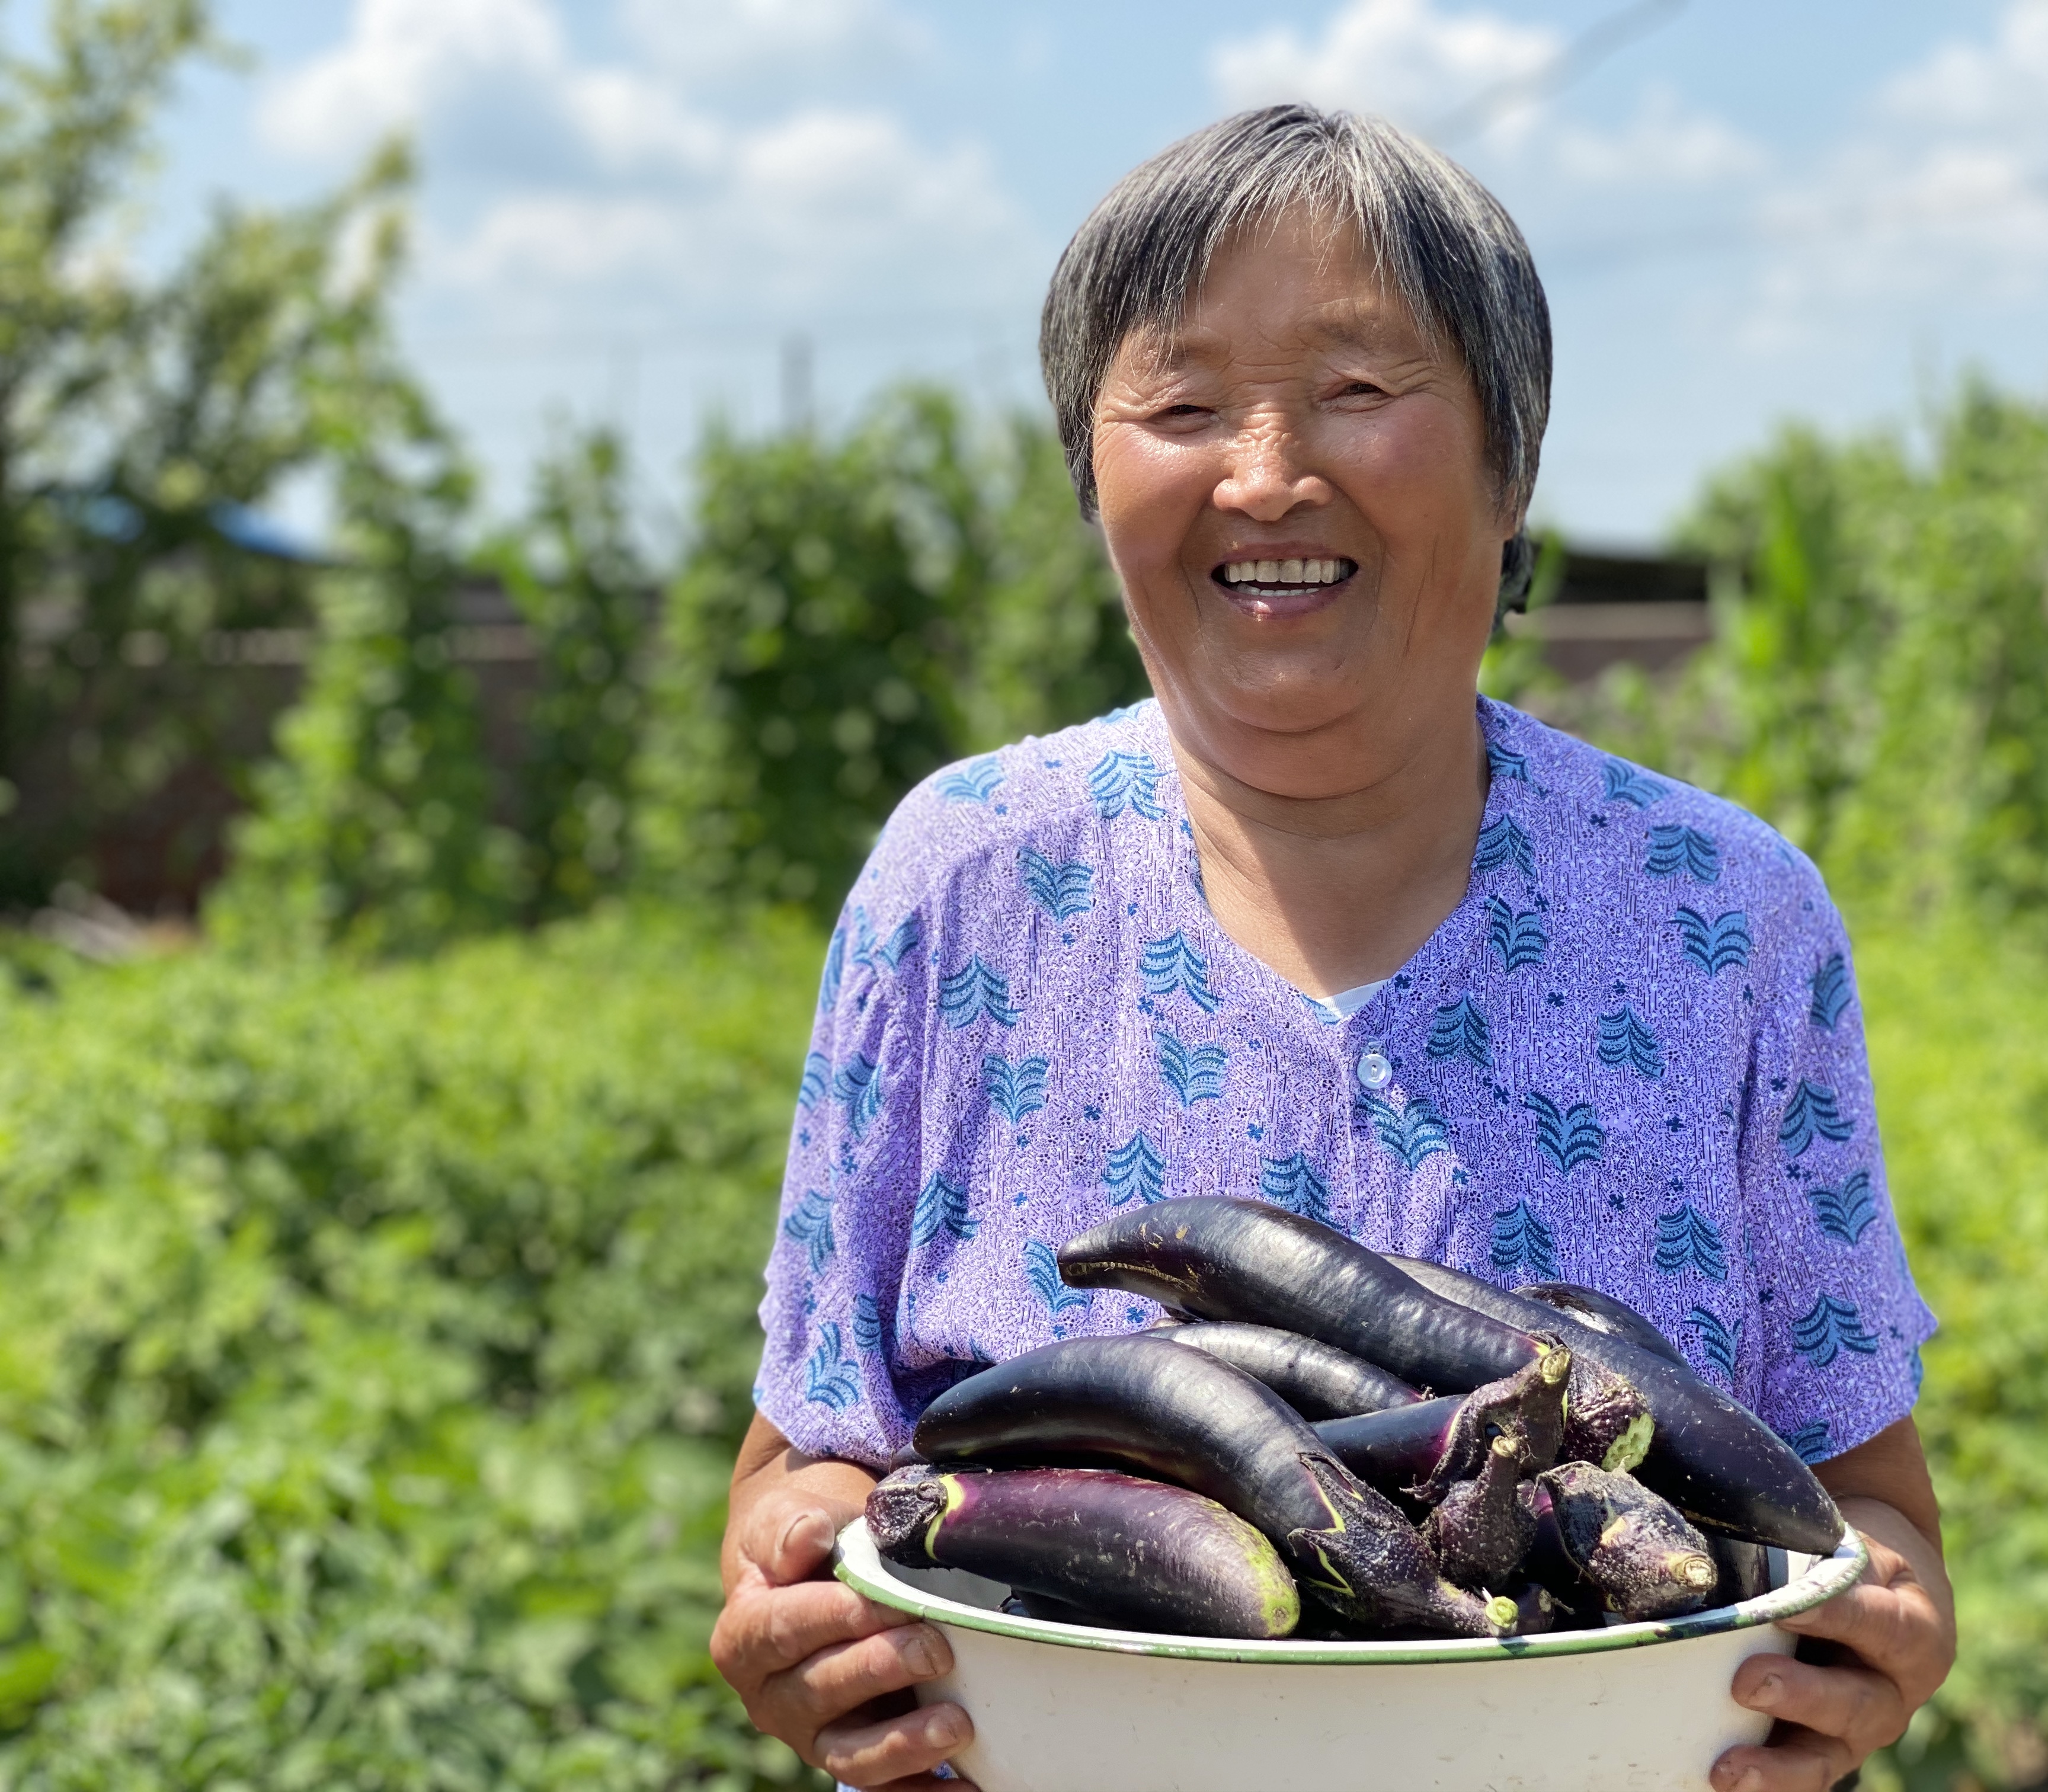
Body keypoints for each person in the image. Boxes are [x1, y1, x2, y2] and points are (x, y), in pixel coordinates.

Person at [711, 104, 1955, 1792]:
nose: (1268, 471)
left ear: (1513, 467)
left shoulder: (1724, 917)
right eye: (1181, 404)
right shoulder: (965, 882)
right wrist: (795, 1592)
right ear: (1094, 477)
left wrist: (1877, 1637)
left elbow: (1862, 1503)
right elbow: (807, 1462)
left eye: (1360, 392)